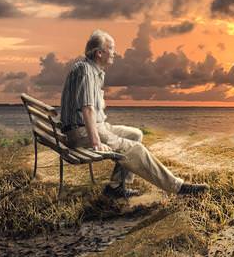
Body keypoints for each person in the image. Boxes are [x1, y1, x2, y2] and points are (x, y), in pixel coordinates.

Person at [60, 29, 207, 198]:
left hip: (90, 127)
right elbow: (87, 108)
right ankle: (178, 187)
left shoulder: (89, 69)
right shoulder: (87, 72)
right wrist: (96, 142)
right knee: (136, 149)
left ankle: (116, 187)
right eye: (112, 48)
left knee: (135, 134)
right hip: (83, 132)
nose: (115, 53)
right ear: (99, 53)